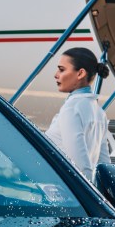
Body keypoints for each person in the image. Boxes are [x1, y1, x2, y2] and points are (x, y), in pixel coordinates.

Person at [45, 47, 111, 182]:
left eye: (62, 70)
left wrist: (86, 192)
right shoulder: (99, 112)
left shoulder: (72, 109)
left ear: (80, 73)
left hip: (65, 187)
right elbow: (104, 164)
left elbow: (79, 166)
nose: (56, 75)